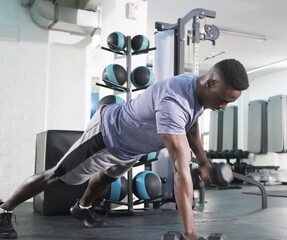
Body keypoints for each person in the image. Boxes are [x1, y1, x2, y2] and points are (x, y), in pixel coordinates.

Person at [0, 58, 249, 240]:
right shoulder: (173, 102)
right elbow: (180, 169)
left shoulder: (195, 88)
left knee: (106, 178)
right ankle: (4, 209)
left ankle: (82, 207)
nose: (224, 107)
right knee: (55, 175)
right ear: (211, 82)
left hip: (131, 147)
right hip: (107, 135)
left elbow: (191, 124)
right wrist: (190, 232)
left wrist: (204, 161)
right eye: (224, 100)